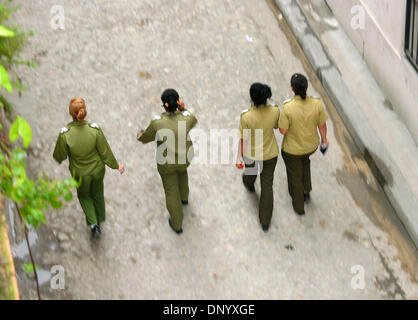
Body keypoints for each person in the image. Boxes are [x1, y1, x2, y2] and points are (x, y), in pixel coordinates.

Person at [53, 98, 124, 237]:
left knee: (84, 196)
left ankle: (93, 224)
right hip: (98, 170)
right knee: (97, 193)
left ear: (71, 113)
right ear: (84, 111)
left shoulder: (65, 135)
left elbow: (59, 156)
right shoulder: (94, 130)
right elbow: (105, 152)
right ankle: (100, 218)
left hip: (80, 174)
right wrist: (116, 166)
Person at [137, 89, 197, 234]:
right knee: (183, 174)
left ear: (164, 106)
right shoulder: (187, 118)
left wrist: (139, 134)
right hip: (185, 158)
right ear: (178, 103)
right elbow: (193, 119)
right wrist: (184, 109)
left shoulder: (158, 123)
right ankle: (184, 198)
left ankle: (177, 224)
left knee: (171, 190)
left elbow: (145, 138)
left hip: (167, 162)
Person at [279, 73, 329, 215]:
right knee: (305, 163)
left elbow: (283, 131)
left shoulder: (288, 107)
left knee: (294, 175)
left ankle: (299, 206)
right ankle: (306, 192)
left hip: (292, 150)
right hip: (311, 146)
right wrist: (324, 141)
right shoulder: (317, 103)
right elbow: (322, 126)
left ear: (292, 89)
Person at [236, 83, 280, 232]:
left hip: (252, 154)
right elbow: (276, 127)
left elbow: (244, 139)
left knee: (251, 172)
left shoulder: (246, 117)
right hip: (270, 154)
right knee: (267, 186)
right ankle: (265, 221)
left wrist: (239, 157)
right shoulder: (274, 111)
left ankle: (248, 183)